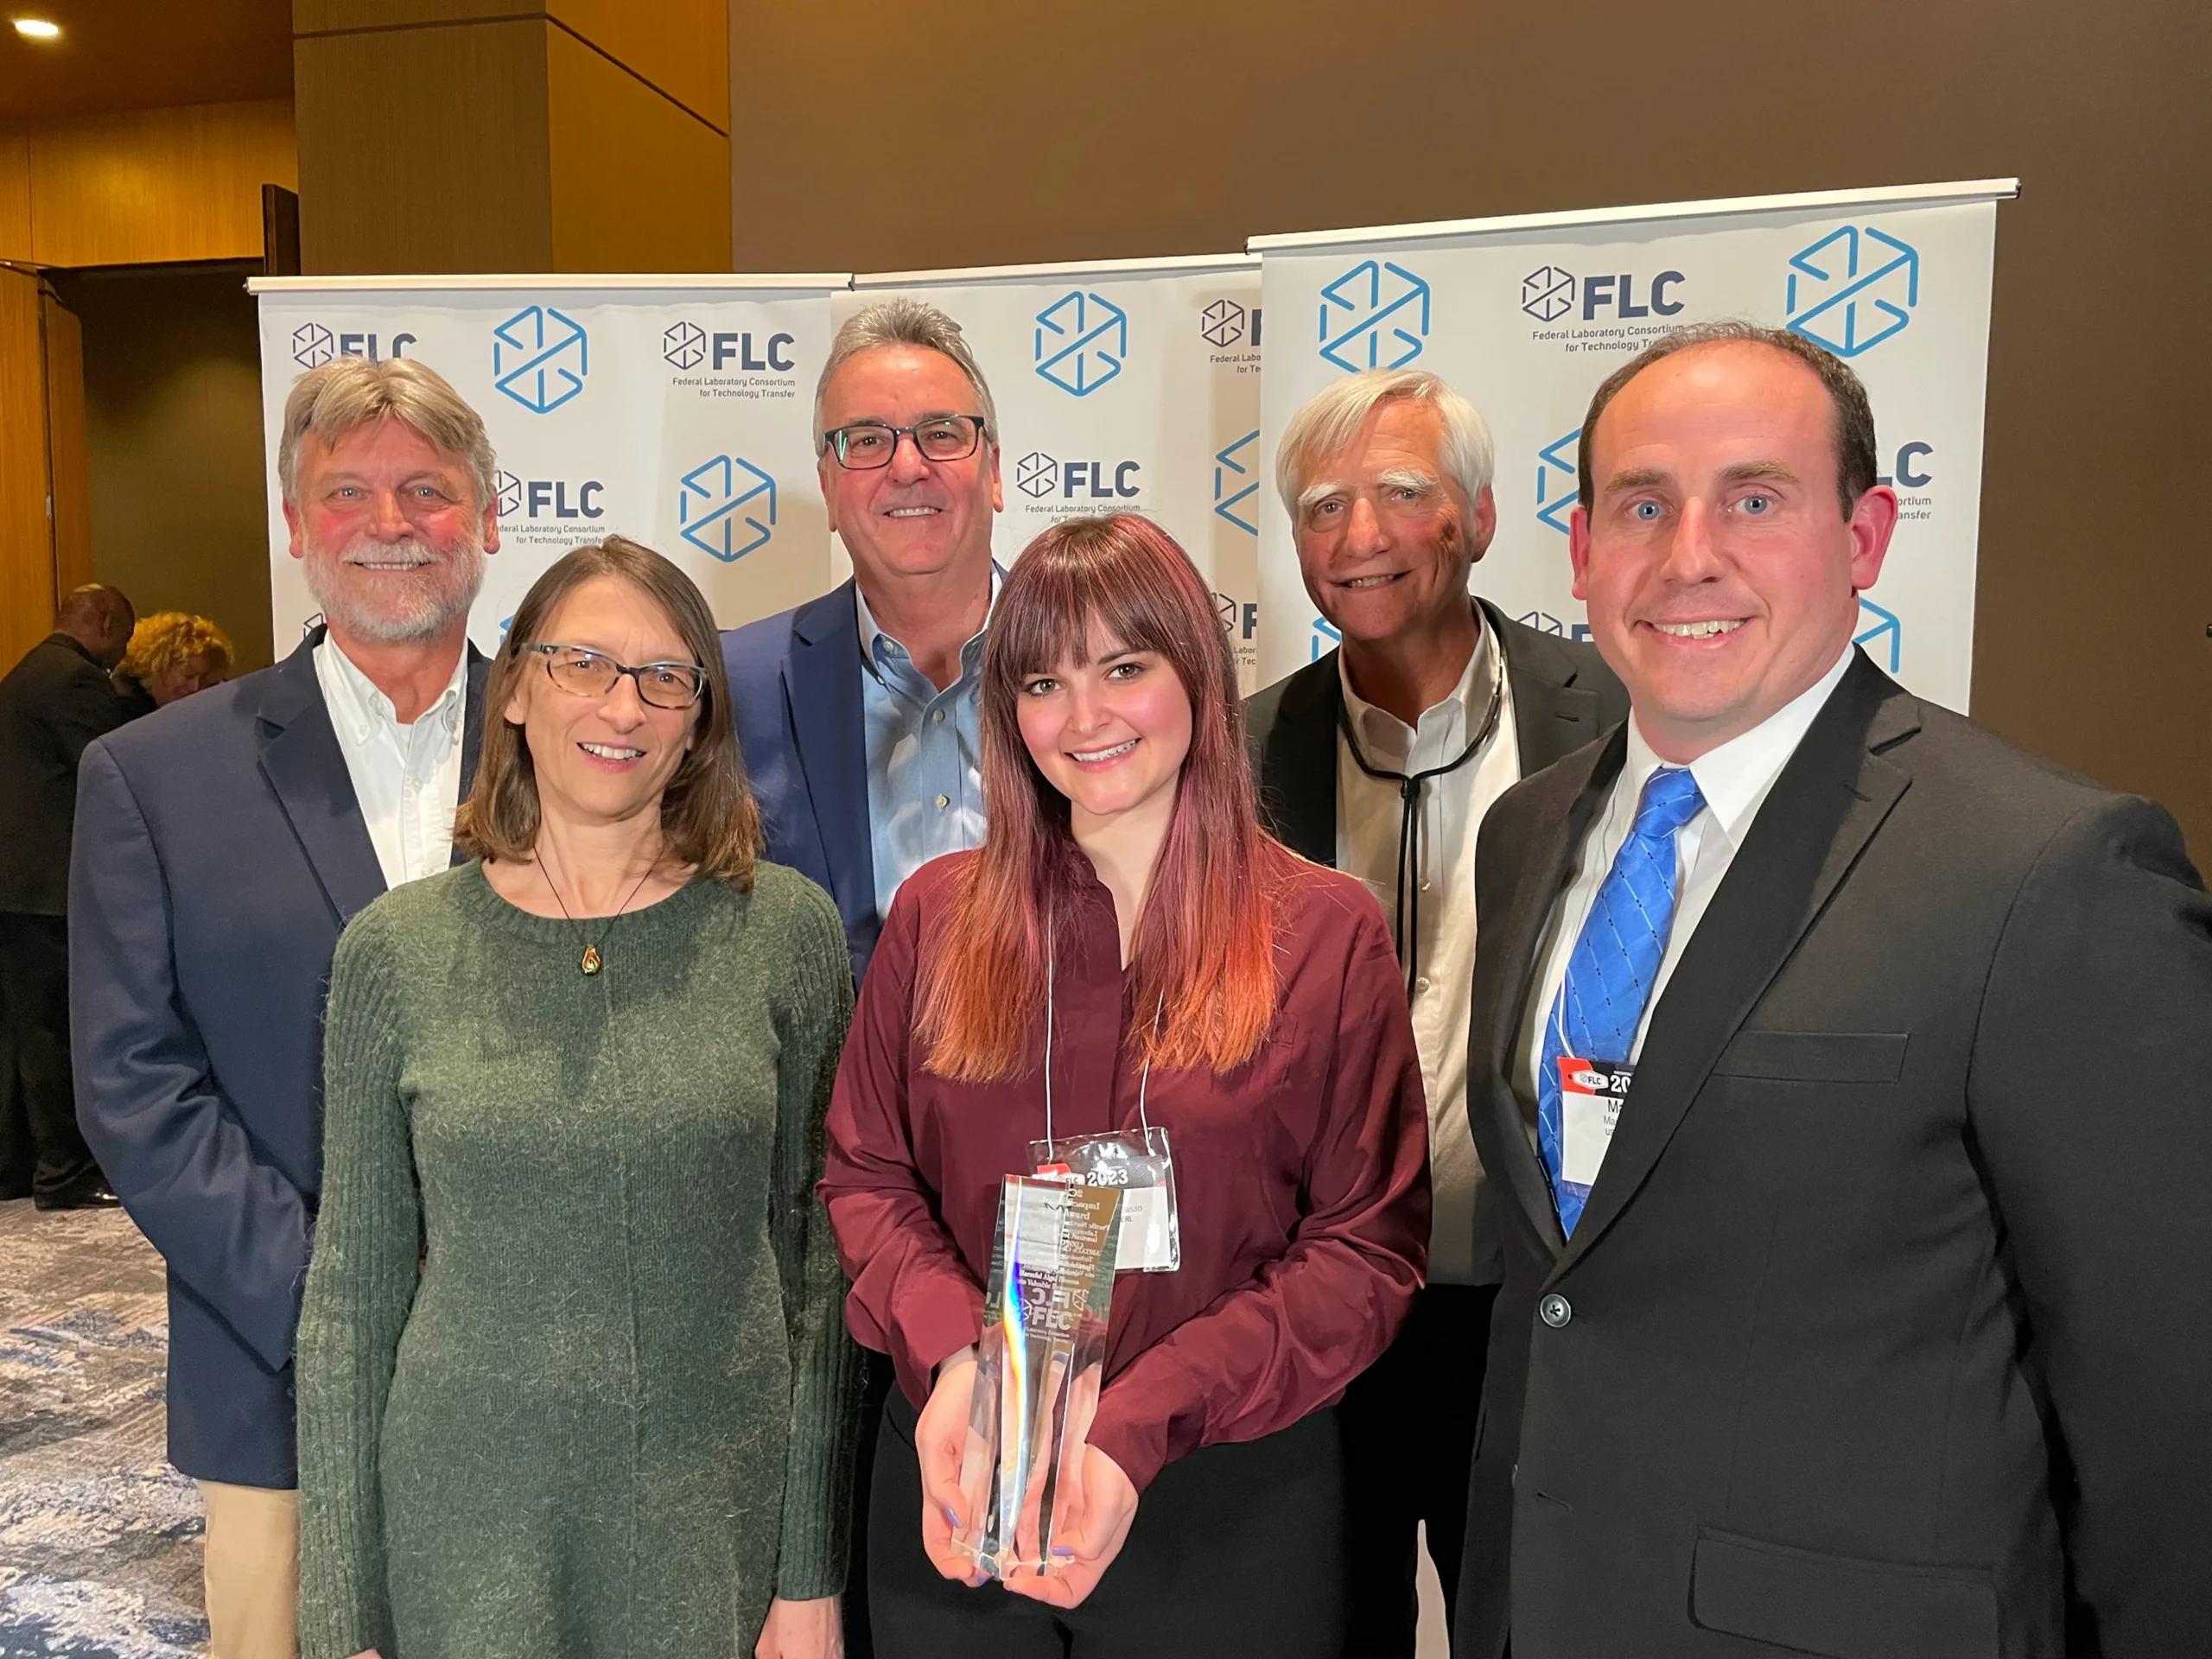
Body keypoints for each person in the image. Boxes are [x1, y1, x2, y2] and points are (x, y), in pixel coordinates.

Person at [1454, 321, 2212, 1658]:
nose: (1691, 554)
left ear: (1864, 536)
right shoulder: (1526, 831)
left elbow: (2170, 1399)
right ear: (1580, 551)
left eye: (1755, 498)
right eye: (1642, 504)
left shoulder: (2047, 870)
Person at [823, 512, 1431, 1659]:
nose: (1085, 718)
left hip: (1227, 1509)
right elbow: (867, 1175)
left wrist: (1136, 1425)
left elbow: (1365, 1250)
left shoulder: (1322, 933)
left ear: (1196, 673)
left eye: (1125, 667)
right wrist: (957, 1359)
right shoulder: (938, 918)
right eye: (1044, 681)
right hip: (965, 1488)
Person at [296, 538, 859, 1659]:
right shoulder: (394, 953)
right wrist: (341, 1612)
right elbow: (351, 1296)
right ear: (512, 690)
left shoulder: (784, 933)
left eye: (666, 676)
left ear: (700, 718)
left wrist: (809, 1576)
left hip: (714, 1526)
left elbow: (818, 1275)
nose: (625, 704)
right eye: (583, 662)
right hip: (467, 1524)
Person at [71, 355, 498, 1659]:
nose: (389, 523)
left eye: (427, 490)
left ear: (486, 518)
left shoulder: (581, 744)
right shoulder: (153, 777)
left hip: (545, 1376)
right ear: (296, 523)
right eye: (348, 491)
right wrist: (340, 1299)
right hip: (279, 1375)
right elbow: (135, 1082)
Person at [1245, 370, 1625, 1656]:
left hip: (1531, 1308)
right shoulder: (1239, 756)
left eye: (1400, 493)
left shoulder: (1617, 719)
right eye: (1321, 506)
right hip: (1312, 1312)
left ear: (1476, 513)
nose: (1357, 536)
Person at [723, 295, 1006, 1658]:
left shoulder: (1106, 669)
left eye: (940, 433)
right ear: (829, 483)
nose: (908, 465)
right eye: (867, 440)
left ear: (995, 464)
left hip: (1062, 1220)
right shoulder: (734, 682)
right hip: (819, 1220)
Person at [0, 582, 135, 1209]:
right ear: (104, 619)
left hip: (17, 886)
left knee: (31, 1030)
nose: (120, 659)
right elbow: (117, 769)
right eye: (123, 641)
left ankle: (39, 1165)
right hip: (52, 889)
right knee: (62, 1028)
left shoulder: (23, 675)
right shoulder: (76, 681)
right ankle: (66, 1170)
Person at [113, 609, 236, 718]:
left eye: (204, 679)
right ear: (158, 667)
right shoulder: (120, 707)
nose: (196, 687)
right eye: (189, 676)